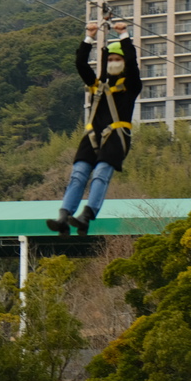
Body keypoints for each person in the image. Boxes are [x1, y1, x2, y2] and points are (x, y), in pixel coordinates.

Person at [47, 20, 141, 236]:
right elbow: (81, 64)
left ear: (124, 61)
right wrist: (89, 36)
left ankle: (87, 215)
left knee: (100, 174)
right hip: (92, 135)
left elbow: (134, 64)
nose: (114, 62)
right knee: (78, 174)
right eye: (110, 59)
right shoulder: (98, 85)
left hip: (117, 136)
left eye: (118, 59)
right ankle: (64, 216)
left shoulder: (131, 85)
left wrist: (124, 35)